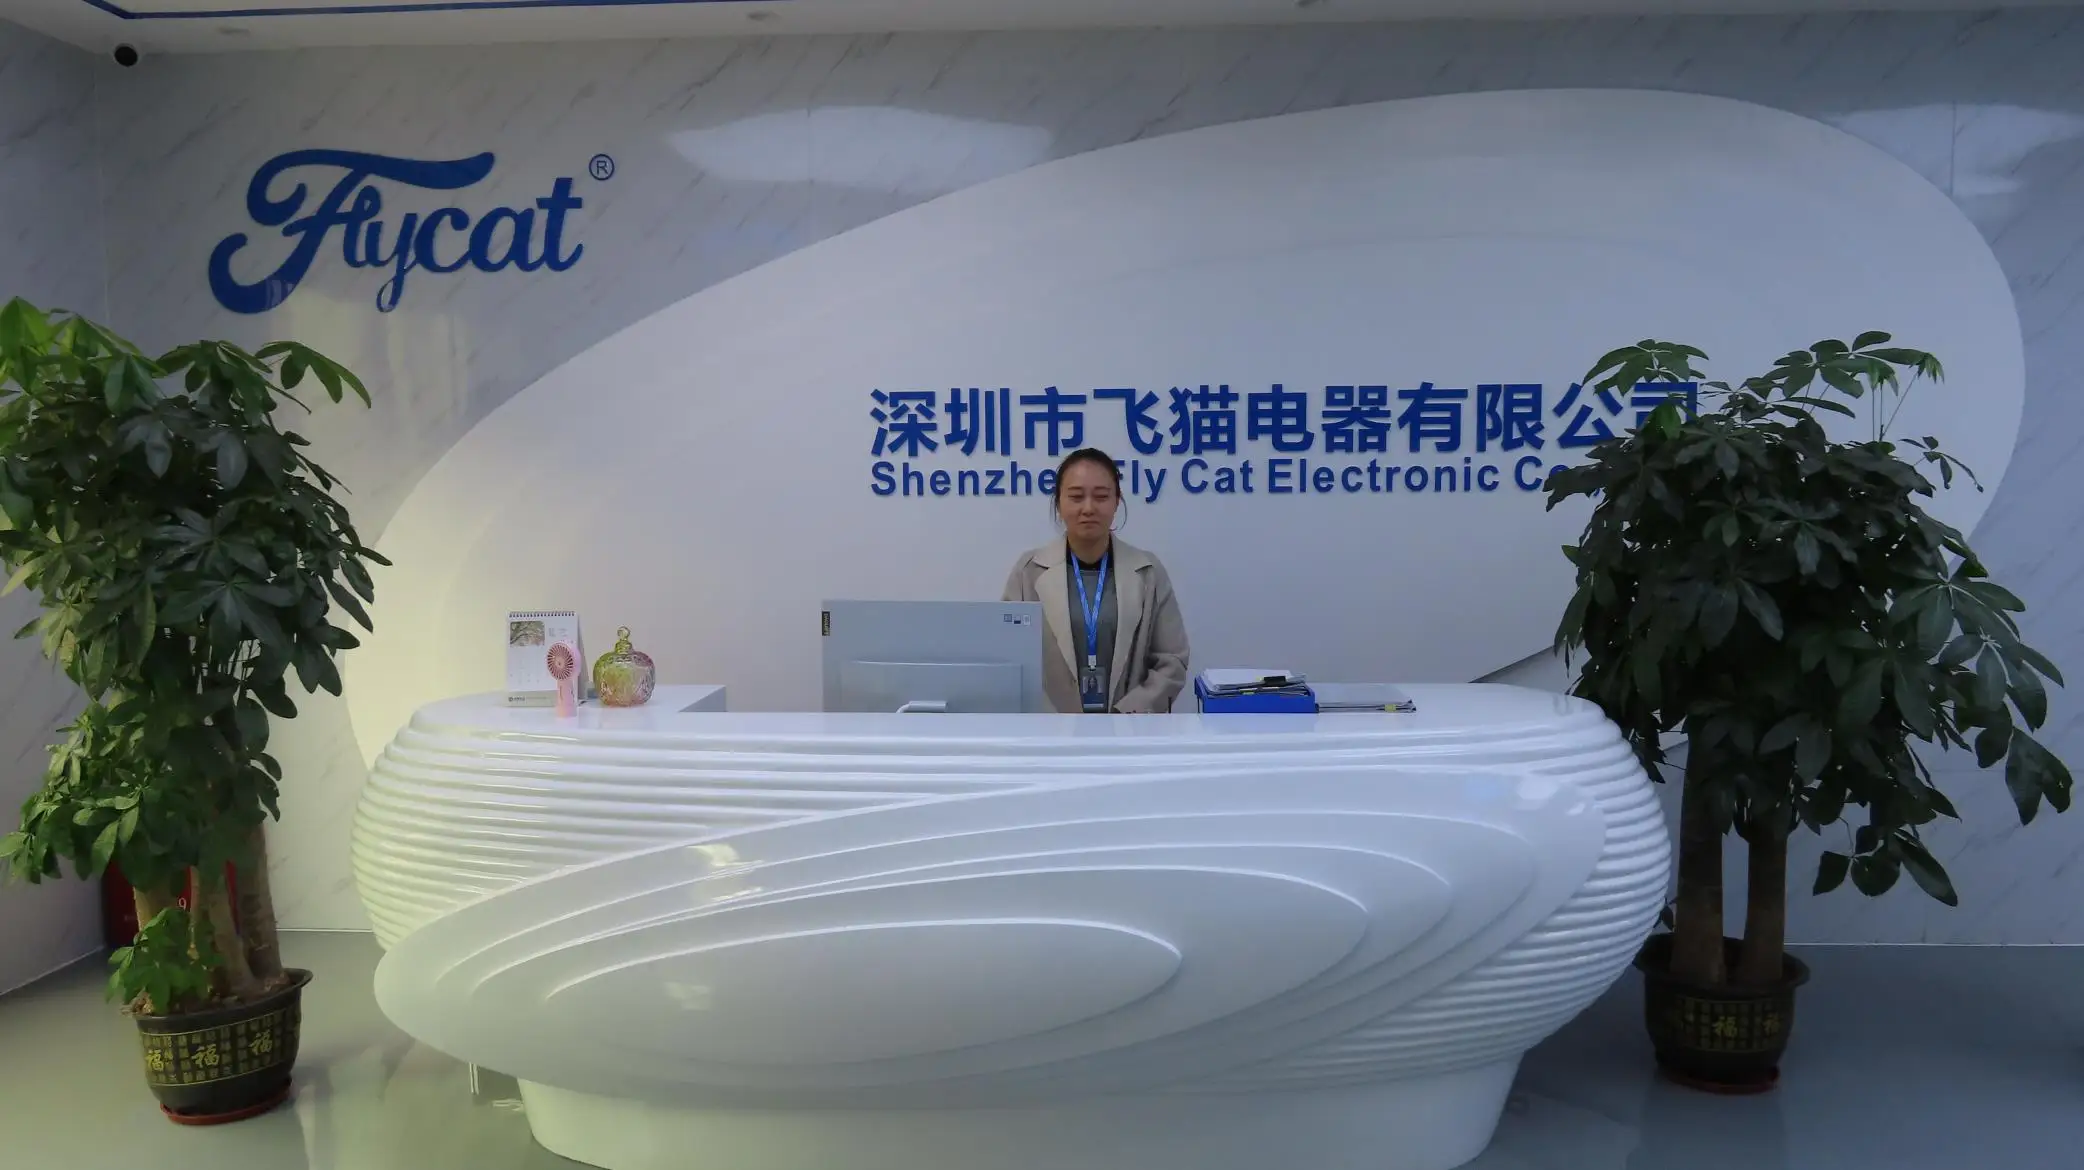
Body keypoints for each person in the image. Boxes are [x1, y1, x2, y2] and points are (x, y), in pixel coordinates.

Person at [1003, 447, 1190, 714]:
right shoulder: (1028, 572)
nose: (1088, 508)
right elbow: (1009, 661)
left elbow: (1172, 660)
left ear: (1117, 502)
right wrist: (1050, 721)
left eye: (1101, 496)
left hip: (1130, 729)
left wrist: (1126, 715)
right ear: (1059, 503)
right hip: (1049, 731)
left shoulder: (1148, 571)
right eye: (1076, 497)